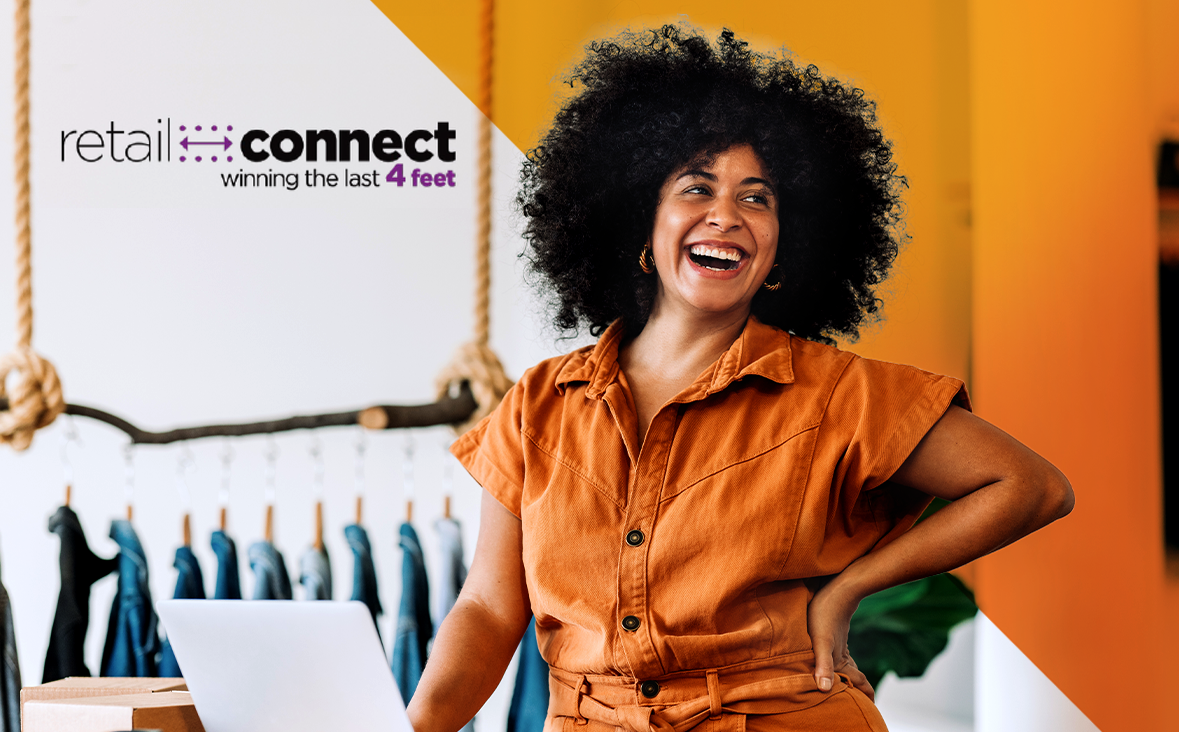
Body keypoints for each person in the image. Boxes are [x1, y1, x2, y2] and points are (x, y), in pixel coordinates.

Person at [407, 25, 1073, 732]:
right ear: (641, 218)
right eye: (697, 187)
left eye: (758, 199)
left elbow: (1031, 486)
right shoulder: (539, 404)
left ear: (788, 241)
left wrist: (850, 588)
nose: (726, 215)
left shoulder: (837, 394)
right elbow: (486, 607)